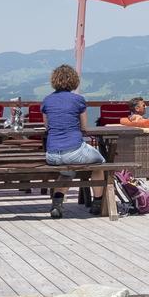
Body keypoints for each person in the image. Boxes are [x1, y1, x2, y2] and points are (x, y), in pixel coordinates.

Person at [42, 64, 105, 219]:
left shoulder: (47, 100)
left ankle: (57, 204)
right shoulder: (78, 100)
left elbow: (47, 126)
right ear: (74, 81)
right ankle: (98, 203)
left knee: (68, 170)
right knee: (100, 163)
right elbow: (84, 127)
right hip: (74, 150)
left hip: (52, 155)